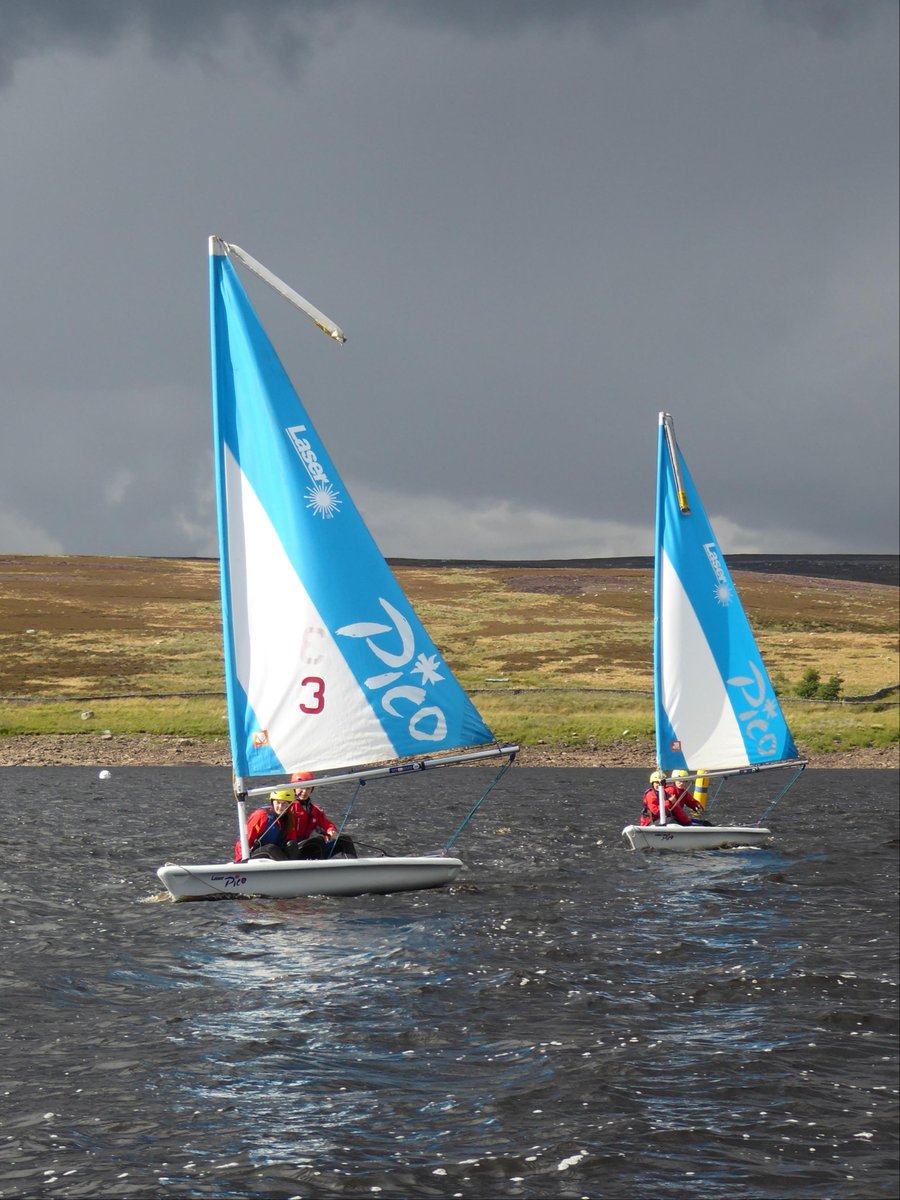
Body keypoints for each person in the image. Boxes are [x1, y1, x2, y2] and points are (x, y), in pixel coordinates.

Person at [233, 770, 356, 862]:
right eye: (301, 788)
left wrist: (330, 830)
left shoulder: (314, 810)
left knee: (343, 840)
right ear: (293, 788)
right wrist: (241, 861)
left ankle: (353, 871)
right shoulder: (282, 808)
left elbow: (325, 824)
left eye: (308, 788)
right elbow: (245, 838)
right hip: (280, 850)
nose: (304, 792)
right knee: (308, 843)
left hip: (295, 850)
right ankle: (295, 873)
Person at [638, 768, 706, 827]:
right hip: (651, 823)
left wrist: (687, 822)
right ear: (652, 783)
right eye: (656, 783)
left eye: (684, 781)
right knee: (673, 822)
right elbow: (656, 811)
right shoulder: (651, 795)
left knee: (703, 823)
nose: (682, 783)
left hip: (665, 820)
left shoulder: (667, 793)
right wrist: (669, 802)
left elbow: (677, 809)